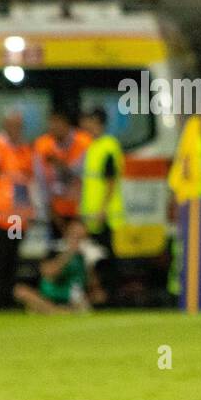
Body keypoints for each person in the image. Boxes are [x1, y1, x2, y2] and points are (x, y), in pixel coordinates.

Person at [0, 109, 35, 307]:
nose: (16, 129)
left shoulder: (24, 148)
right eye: (12, 125)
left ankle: (8, 300)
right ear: (5, 125)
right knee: (0, 258)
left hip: (17, 216)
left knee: (12, 257)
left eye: (19, 125)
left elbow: (28, 178)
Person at [79, 107, 125, 302]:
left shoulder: (108, 146)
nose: (84, 124)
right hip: (92, 214)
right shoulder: (93, 146)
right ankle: (99, 296)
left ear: (97, 122)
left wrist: (103, 209)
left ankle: (110, 298)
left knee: (106, 259)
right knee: (94, 258)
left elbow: (110, 180)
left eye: (87, 120)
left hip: (103, 215)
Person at [12, 218, 103, 314]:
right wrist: (68, 253)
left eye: (81, 237)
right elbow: (49, 273)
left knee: (96, 297)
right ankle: (56, 310)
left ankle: (55, 310)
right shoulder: (55, 248)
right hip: (48, 296)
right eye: (74, 236)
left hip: (72, 297)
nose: (77, 240)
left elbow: (93, 285)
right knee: (20, 291)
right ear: (67, 234)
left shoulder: (88, 254)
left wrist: (89, 264)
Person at [34, 110, 91, 237]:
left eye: (56, 124)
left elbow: (82, 174)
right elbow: (41, 180)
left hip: (80, 211)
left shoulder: (84, 142)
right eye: (50, 124)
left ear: (66, 124)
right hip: (55, 211)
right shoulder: (43, 145)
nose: (52, 128)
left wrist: (60, 165)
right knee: (56, 248)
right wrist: (50, 210)